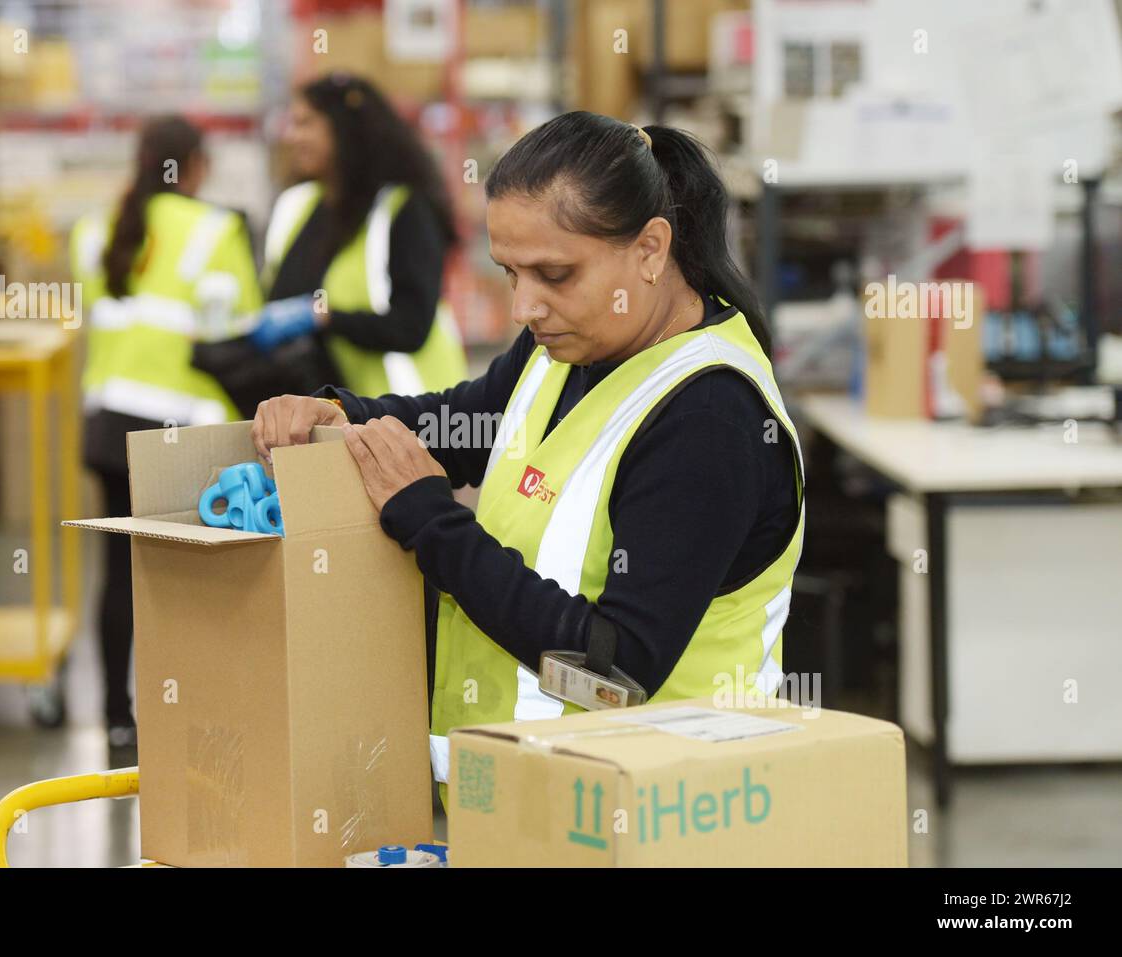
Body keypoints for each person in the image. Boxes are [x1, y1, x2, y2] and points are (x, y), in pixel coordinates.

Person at [250, 112, 804, 795]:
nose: (525, 307)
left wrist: (431, 522)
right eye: (511, 273)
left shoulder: (710, 421)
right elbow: (470, 422)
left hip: (662, 815)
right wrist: (345, 415)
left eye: (554, 273)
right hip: (536, 806)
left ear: (651, 250)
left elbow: (611, 675)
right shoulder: (571, 343)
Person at [70, 115, 262, 758]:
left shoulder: (97, 230)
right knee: (193, 582)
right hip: (180, 433)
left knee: (118, 578)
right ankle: (199, 714)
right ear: (197, 165)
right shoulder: (217, 230)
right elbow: (241, 331)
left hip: (107, 427)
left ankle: (116, 717)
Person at [251, 72, 467, 396]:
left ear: (344, 129)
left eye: (305, 123)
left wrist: (324, 318)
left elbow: (411, 327)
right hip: (340, 416)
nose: (292, 137)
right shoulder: (298, 206)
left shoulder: (403, 209)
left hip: (413, 414)